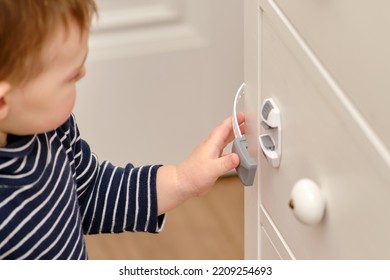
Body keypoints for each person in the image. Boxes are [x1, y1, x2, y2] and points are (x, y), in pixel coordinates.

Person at [0, 0, 245, 260]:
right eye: (70, 77)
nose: (83, 73)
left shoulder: (52, 133)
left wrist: (181, 180)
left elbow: (92, 192)